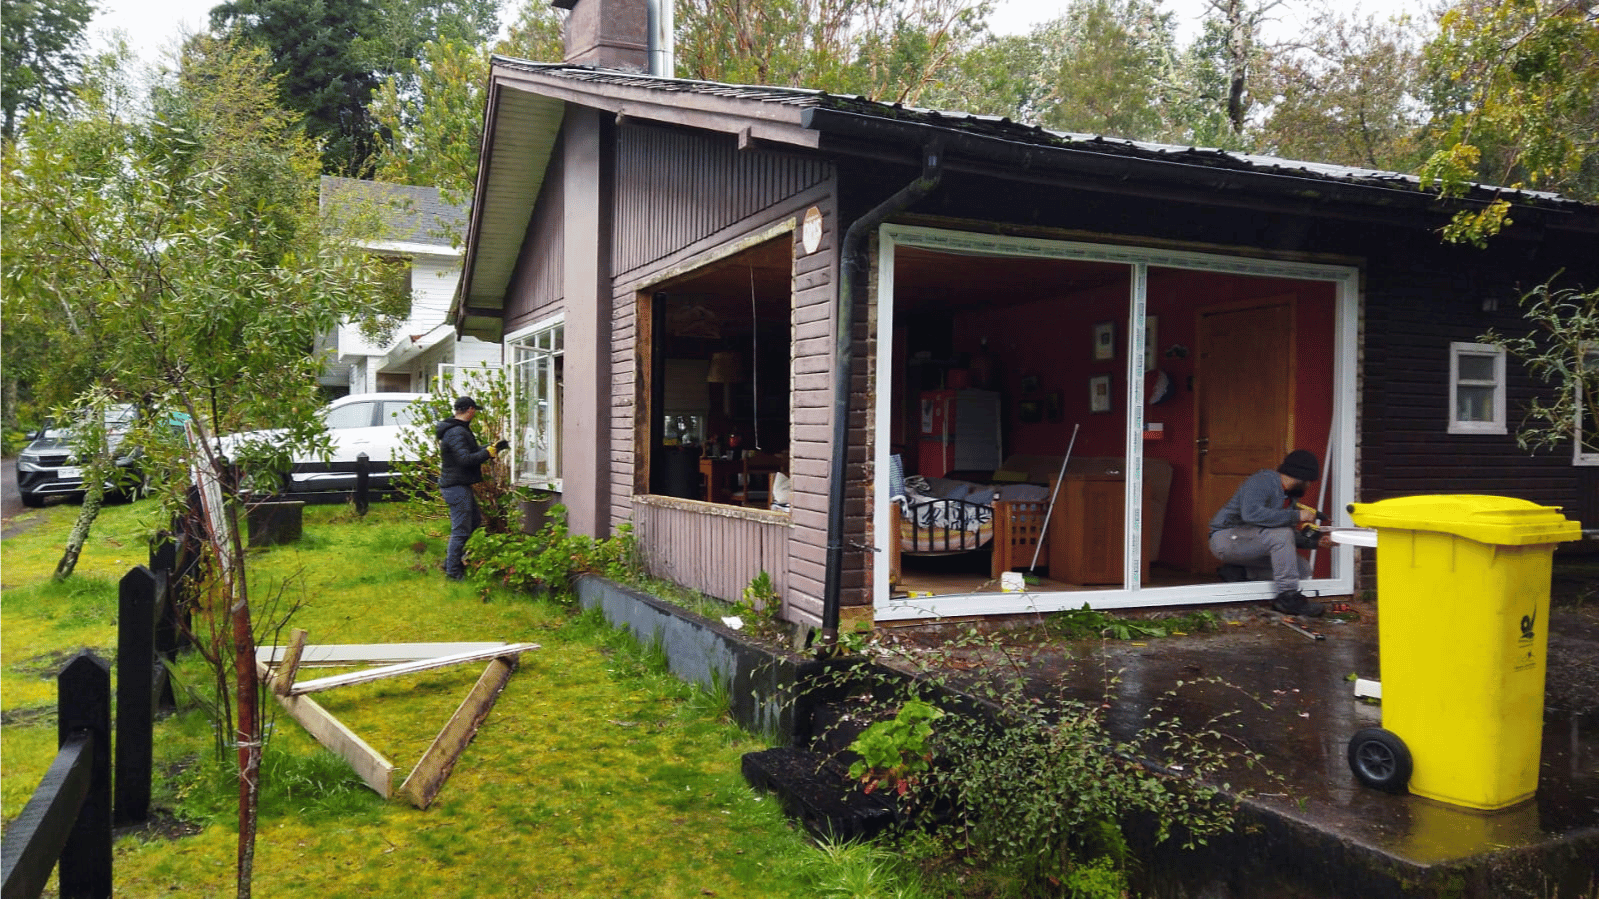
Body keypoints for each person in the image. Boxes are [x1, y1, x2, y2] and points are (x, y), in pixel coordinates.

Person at [1208, 449, 1329, 617]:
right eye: (1309, 481)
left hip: (1250, 542)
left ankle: (1240, 573)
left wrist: (1316, 542)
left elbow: (1283, 535)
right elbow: (1251, 514)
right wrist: (1296, 515)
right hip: (1226, 539)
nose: (1309, 486)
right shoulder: (1263, 481)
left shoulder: (1289, 495)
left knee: (1302, 569)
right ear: (1302, 477)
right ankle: (1288, 598)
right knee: (1282, 534)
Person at [436, 396, 509, 581]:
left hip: (458, 485)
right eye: (474, 410)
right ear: (469, 410)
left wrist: (491, 448)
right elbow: (465, 459)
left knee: (475, 520)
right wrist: (486, 453)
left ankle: (451, 562)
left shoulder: (456, 430)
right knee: (461, 530)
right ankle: (453, 573)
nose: (475, 413)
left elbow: (469, 452)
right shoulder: (456, 432)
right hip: (455, 487)